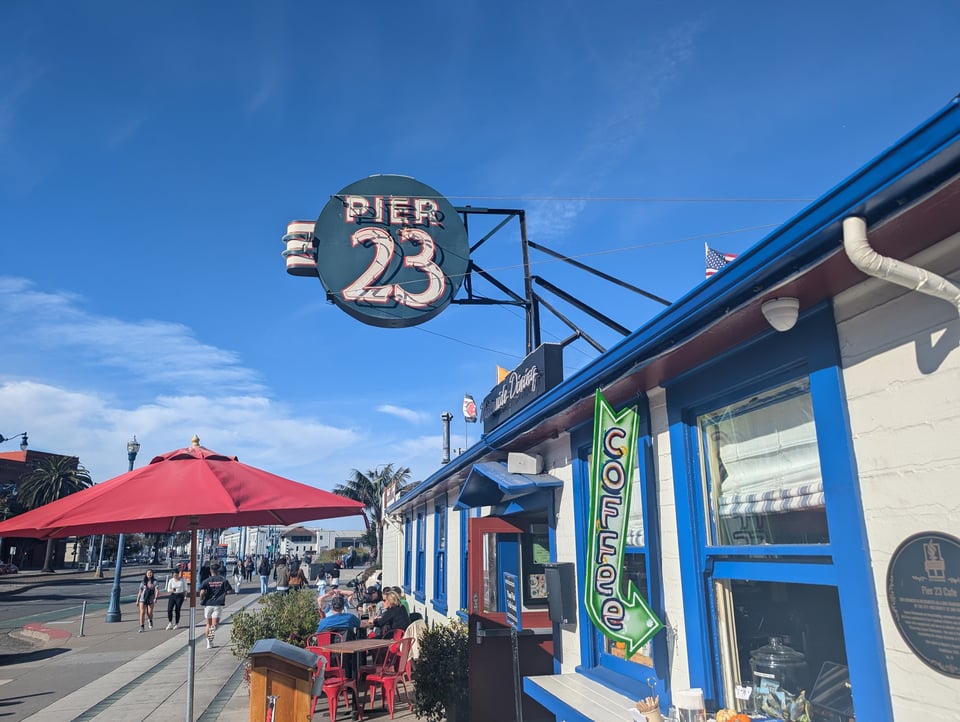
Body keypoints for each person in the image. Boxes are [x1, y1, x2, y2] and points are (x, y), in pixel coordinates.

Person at [198, 561, 233, 649]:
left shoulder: (207, 581)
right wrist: (223, 594)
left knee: (208, 624)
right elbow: (229, 591)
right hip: (218, 604)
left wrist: (202, 599)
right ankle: (210, 640)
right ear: (218, 570)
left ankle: (208, 642)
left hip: (208, 604)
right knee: (214, 625)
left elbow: (201, 591)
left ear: (211, 571)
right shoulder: (223, 580)